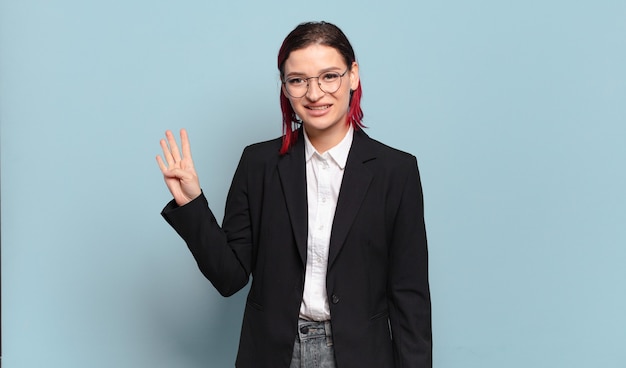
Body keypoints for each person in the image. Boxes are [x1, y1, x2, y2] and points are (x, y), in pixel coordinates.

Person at [156, 21, 431, 368]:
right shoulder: (258, 164)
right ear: (285, 88)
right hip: (273, 354)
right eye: (298, 80)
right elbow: (230, 277)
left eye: (329, 76)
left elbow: (410, 297)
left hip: (362, 355)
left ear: (353, 76)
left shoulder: (396, 171)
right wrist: (192, 204)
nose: (314, 94)